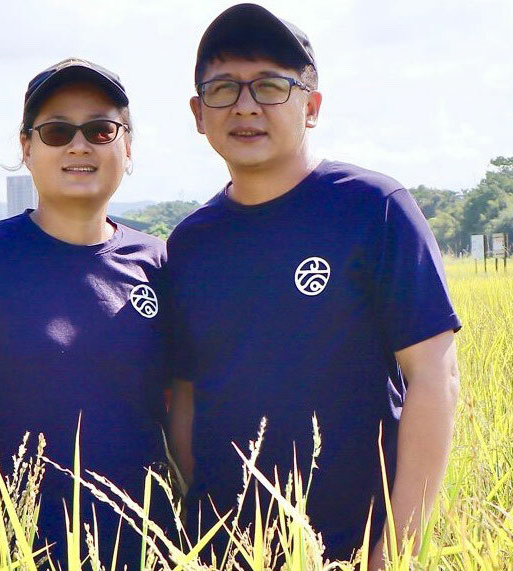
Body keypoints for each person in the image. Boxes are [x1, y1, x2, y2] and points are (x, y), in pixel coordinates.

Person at [166, 4, 462, 566]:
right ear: (198, 113)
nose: (246, 105)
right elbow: (185, 394)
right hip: (219, 547)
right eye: (223, 88)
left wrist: (394, 549)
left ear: (312, 106)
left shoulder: (373, 209)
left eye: (272, 85)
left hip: (353, 545)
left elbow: (434, 376)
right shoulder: (190, 243)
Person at [0, 58, 170, 567]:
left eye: (100, 129)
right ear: (27, 148)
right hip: (14, 550)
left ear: (128, 147)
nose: (79, 144)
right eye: (56, 131)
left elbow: (182, 407)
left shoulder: (159, 262)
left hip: (145, 549)